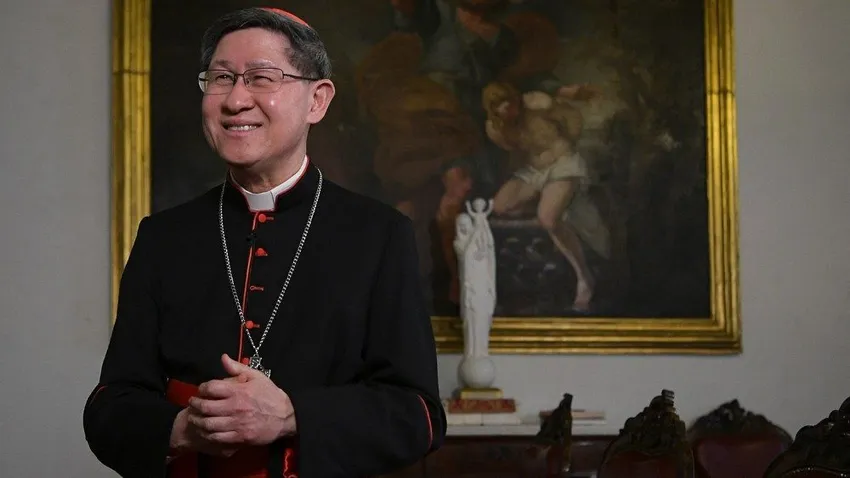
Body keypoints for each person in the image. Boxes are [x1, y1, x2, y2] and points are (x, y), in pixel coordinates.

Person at [83, 7, 446, 478]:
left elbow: (418, 415)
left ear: (317, 100)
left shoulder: (378, 235)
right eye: (221, 78)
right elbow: (109, 406)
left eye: (261, 78)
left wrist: (292, 415)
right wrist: (182, 429)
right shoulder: (164, 237)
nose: (236, 100)